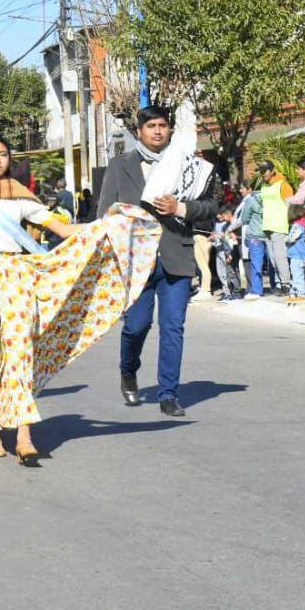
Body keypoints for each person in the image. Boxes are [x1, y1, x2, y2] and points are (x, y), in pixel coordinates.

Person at [0, 135, 158, 462]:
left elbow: (62, 231)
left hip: (18, 278)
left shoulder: (22, 198)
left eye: (3, 154)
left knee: (20, 353)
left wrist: (108, 226)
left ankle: (23, 434)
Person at [97, 105, 219, 417]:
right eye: (151, 126)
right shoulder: (120, 165)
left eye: (162, 125)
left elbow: (210, 206)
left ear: (170, 130)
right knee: (137, 326)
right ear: (139, 130)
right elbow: (104, 216)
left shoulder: (189, 166)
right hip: (136, 262)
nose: (157, 131)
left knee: (173, 327)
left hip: (176, 256)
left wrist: (181, 209)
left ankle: (168, 393)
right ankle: (128, 369)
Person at [255, 160, 293, 297]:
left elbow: (290, 205)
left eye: (264, 171)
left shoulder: (283, 185)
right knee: (272, 258)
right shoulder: (264, 186)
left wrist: (290, 223)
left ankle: (286, 284)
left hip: (279, 225)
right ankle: (278, 283)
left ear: (271, 170)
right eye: (261, 171)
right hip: (267, 226)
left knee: (280, 257)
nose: (262, 173)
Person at [285, 204, 305, 304]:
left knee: (297, 275)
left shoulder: (298, 225)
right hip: (300, 255)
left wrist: (285, 239)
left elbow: (291, 238)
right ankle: (294, 293)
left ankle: (301, 294)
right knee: (296, 275)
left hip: (297, 255)